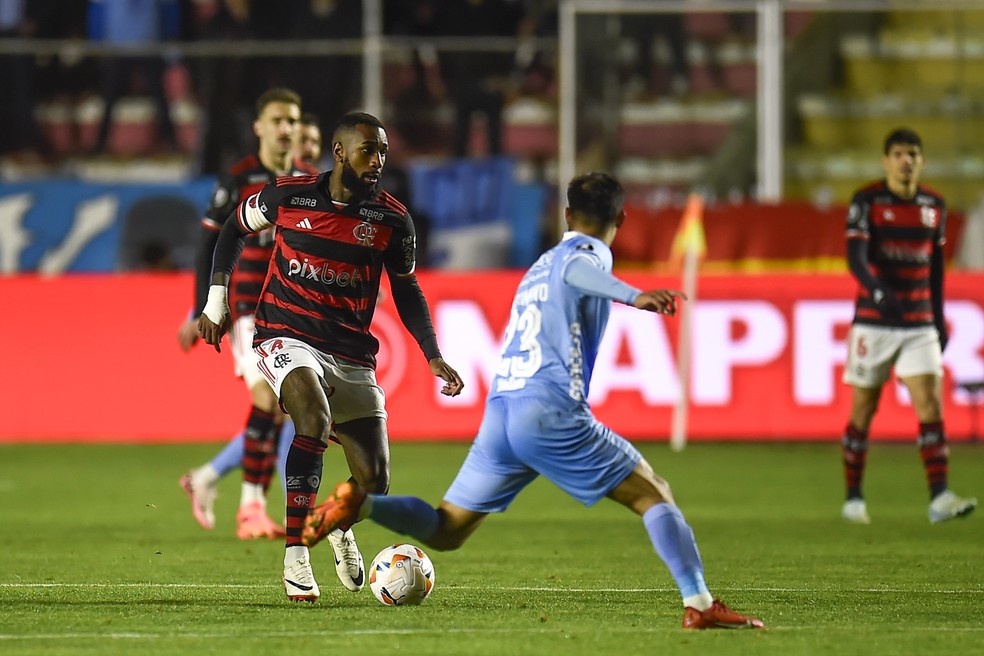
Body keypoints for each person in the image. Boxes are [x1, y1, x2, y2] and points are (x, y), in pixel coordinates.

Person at [301, 172, 765, 630]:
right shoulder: (586, 252)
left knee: (447, 530)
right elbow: (579, 268)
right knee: (655, 494)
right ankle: (699, 603)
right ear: (621, 217)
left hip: (503, 412)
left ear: (566, 215)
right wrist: (634, 295)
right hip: (549, 410)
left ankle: (361, 505)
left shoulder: (539, 265)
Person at [197, 111, 465, 603]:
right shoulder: (287, 196)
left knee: (375, 479)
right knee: (313, 420)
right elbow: (230, 232)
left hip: (349, 351)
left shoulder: (391, 219)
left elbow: (407, 289)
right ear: (340, 153)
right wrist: (214, 302)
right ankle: (296, 551)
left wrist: (433, 354)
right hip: (284, 334)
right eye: (369, 150)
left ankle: (340, 523)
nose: (378, 160)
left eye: (383, 151)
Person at [178, 88, 318, 541]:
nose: (285, 129)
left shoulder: (307, 181)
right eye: (277, 120)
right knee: (266, 401)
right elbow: (208, 243)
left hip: (291, 310)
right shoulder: (239, 177)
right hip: (247, 308)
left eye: (292, 121)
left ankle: (223, 489)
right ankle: (250, 507)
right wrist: (203, 306)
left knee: (281, 410)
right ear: (259, 126)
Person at [840, 128, 977, 525]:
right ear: (886, 161)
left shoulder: (934, 206)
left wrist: (938, 316)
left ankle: (939, 497)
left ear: (922, 161)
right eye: (899, 153)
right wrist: (877, 291)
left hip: (918, 323)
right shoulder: (867, 201)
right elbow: (856, 258)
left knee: (931, 406)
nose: (906, 161)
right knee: (865, 409)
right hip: (874, 323)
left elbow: (936, 271)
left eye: (913, 154)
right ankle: (853, 497)